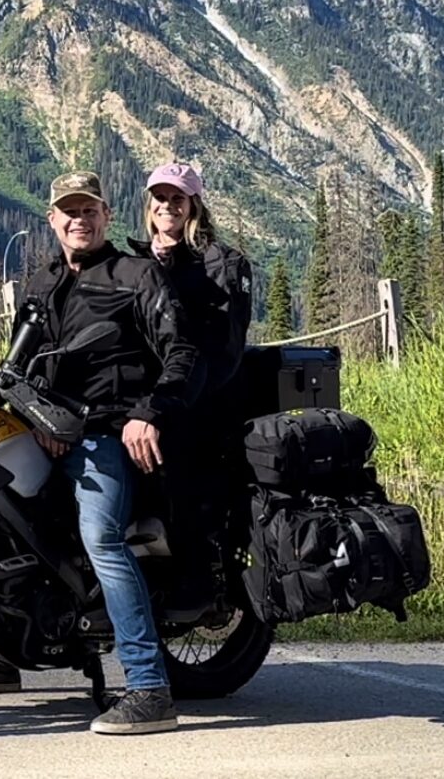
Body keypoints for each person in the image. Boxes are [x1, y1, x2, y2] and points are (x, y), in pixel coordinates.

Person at [0, 170, 199, 735]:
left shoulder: (135, 274)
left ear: (106, 216)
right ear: (52, 220)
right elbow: (21, 367)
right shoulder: (40, 283)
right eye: (68, 210)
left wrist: (147, 413)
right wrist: (31, 414)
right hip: (44, 428)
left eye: (89, 209)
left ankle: (150, 688)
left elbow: (181, 352)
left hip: (110, 430)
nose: (79, 219)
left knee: (100, 536)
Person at [126, 162, 255, 616]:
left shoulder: (223, 263)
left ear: (193, 205)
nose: (167, 206)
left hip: (201, 402)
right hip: (145, 396)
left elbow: (225, 349)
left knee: (182, 475)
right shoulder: (136, 262)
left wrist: (177, 403)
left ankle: (196, 587)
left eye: (177, 198)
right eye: (159, 198)